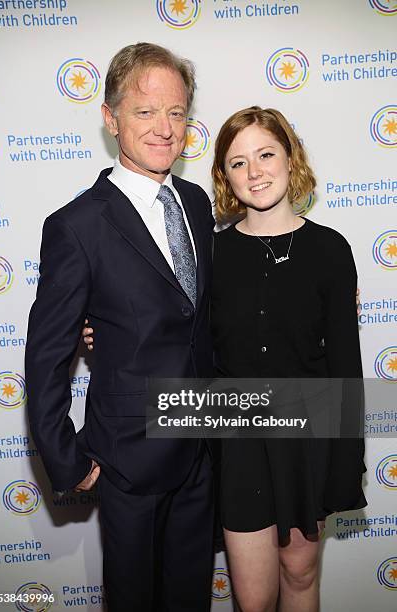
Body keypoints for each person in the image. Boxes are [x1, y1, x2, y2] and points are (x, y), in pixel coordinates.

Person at [25, 43, 215, 612]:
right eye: (144, 111)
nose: (164, 128)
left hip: (204, 452)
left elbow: (199, 311)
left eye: (176, 113)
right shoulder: (76, 226)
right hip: (129, 457)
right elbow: (45, 357)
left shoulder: (197, 202)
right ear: (110, 118)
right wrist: (67, 461)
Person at [210, 106, 366, 612]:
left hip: (309, 438)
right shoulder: (211, 255)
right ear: (225, 177)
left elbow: (346, 363)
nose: (254, 172)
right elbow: (176, 336)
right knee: (253, 600)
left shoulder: (330, 250)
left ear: (289, 157)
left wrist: (347, 461)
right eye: (238, 163)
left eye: (265, 154)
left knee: (300, 575)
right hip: (237, 442)